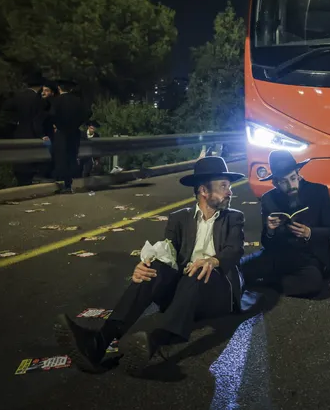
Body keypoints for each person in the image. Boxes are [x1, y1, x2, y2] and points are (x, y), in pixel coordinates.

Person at [54, 157, 246, 375]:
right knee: (154, 270)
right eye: (223, 186)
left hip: (217, 292)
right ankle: (98, 343)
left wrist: (212, 260)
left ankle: (154, 342)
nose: (229, 192)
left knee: (198, 271)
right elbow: (167, 253)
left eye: (228, 187)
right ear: (204, 190)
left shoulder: (234, 218)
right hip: (184, 290)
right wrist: (145, 265)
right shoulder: (179, 218)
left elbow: (234, 250)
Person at [241, 150, 330, 298]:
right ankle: (273, 280)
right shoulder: (268, 199)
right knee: (240, 268)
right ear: (275, 183)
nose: (291, 185)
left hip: (309, 256)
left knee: (313, 282)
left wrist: (309, 233)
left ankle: (270, 281)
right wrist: (270, 231)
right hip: (279, 255)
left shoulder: (319, 191)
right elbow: (266, 243)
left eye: (292, 178)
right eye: (284, 182)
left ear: (298, 174)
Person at [3, 71, 46, 185]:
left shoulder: (18, 96)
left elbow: (6, 108)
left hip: (19, 131)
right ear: (41, 86)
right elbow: (41, 117)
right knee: (31, 162)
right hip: (34, 133)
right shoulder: (39, 99)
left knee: (20, 161)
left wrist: (14, 122)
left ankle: (21, 181)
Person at [49, 79, 90, 193]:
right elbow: (87, 114)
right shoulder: (78, 101)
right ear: (71, 89)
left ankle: (63, 183)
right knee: (72, 156)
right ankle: (69, 183)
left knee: (61, 157)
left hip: (61, 132)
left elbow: (51, 115)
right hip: (74, 132)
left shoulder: (57, 101)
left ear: (59, 88)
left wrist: (56, 125)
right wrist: (77, 124)